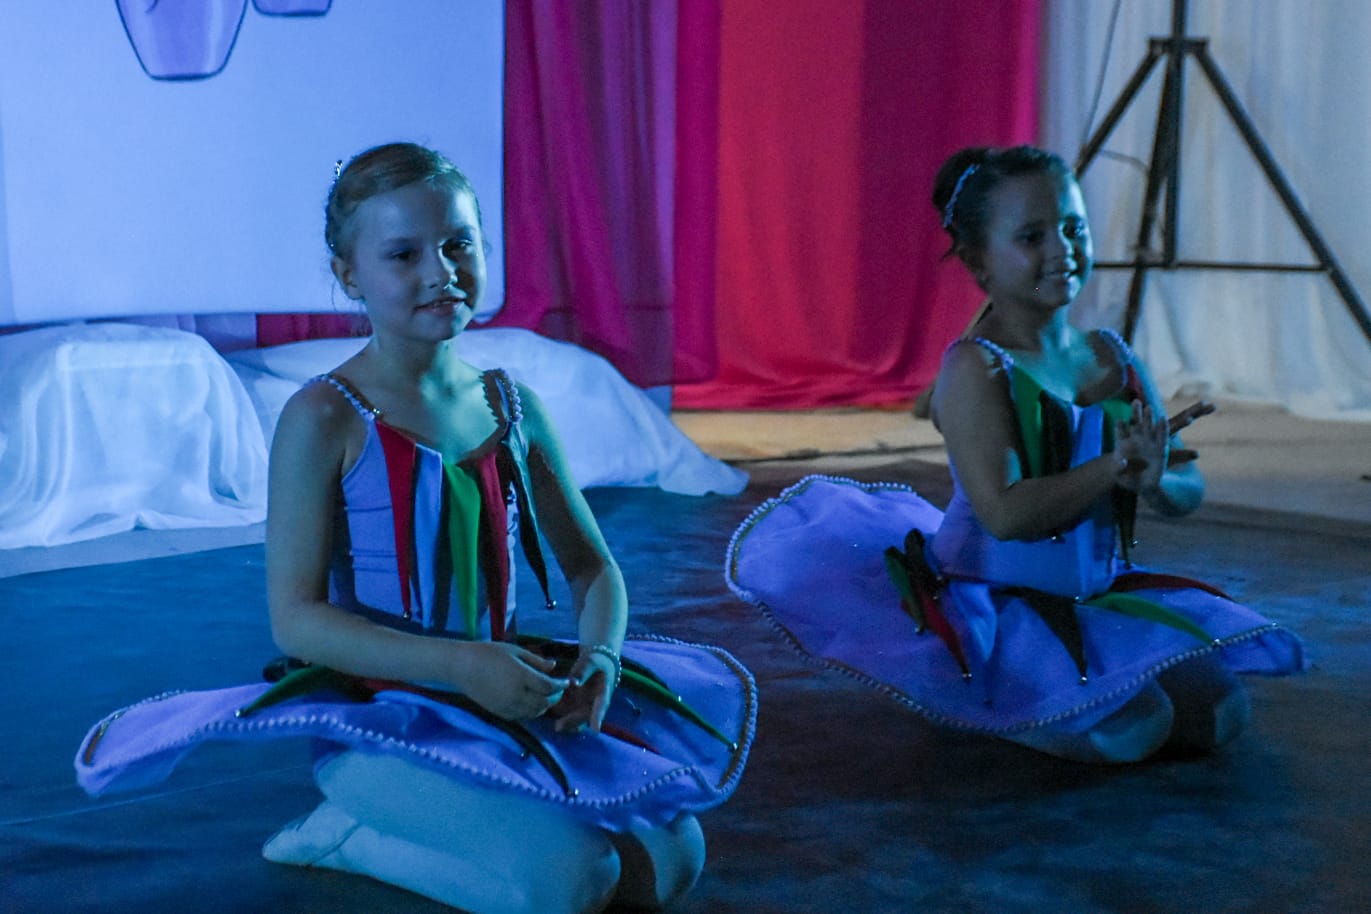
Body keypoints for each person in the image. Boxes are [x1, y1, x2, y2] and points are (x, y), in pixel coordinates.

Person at [76, 143, 755, 914]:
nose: (441, 272)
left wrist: (598, 659)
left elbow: (592, 569)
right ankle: (345, 833)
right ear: (349, 275)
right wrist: (459, 663)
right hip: (378, 720)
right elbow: (295, 620)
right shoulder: (323, 417)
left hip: (499, 699)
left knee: (670, 860)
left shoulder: (511, 407)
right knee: (571, 883)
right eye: (403, 254)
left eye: (458, 244)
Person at [727, 144, 1303, 764]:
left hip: (1093, 591)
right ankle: (982, 694)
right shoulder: (976, 367)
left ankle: (1054, 688)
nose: (1062, 249)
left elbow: (1187, 488)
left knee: (1218, 714)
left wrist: (1155, 480)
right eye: (1032, 236)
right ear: (978, 261)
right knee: (1134, 731)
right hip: (998, 597)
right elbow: (1005, 514)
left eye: (1073, 227)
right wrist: (1110, 468)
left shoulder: (1111, 355)